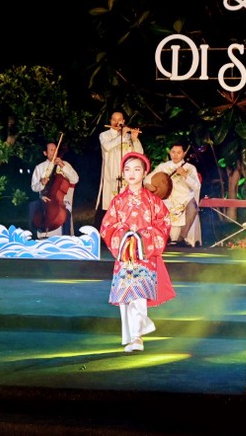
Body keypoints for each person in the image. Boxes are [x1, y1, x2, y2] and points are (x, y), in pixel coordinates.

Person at [101, 151, 175, 353]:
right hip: (125, 255)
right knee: (127, 297)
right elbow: (107, 226)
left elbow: (164, 224)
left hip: (144, 256)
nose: (131, 173)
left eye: (136, 169)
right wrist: (124, 236)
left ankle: (137, 337)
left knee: (139, 295)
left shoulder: (153, 201)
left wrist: (143, 238)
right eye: (127, 170)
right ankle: (131, 335)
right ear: (123, 174)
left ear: (144, 173)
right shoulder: (117, 201)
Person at [147, 143, 201, 247]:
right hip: (168, 198)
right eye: (173, 152)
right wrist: (149, 185)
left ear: (184, 153)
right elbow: (148, 179)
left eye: (179, 152)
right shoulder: (163, 166)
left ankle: (182, 238)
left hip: (185, 198)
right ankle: (164, 237)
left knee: (193, 207)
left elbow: (197, 186)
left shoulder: (190, 168)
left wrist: (185, 175)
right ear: (170, 152)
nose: (175, 155)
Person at [96, 111, 143, 218]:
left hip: (127, 175)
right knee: (111, 207)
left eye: (119, 120)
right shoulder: (104, 135)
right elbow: (107, 147)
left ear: (123, 121)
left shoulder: (129, 136)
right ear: (110, 121)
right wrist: (122, 135)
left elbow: (139, 154)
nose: (117, 122)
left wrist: (134, 140)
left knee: (128, 208)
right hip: (111, 174)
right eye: (114, 119)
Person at [28, 141, 79, 238]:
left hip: (62, 200)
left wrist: (62, 165)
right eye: (51, 150)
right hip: (44, 198)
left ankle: (66, 239)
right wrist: (41, 184)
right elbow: (34, 187)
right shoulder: (39, 168)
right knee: (32, 206)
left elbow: (75, 179)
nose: (54, 152)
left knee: (65, 211)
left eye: (55, 149)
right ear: (45, 153)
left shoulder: (64, 164)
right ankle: (34, 239)